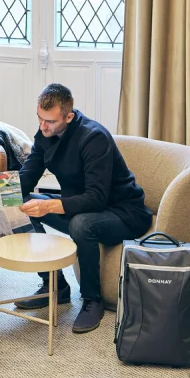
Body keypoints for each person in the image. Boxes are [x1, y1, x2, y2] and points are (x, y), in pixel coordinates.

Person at [17, 83, 152, 333]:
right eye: (39, 118)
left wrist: (49, 206)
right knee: (19, 204)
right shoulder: (44, 135)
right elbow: (26, 177)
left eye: (50, 121)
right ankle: (54, 285)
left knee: (80, 223)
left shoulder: (93, 138)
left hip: (123, 213)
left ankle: (92, 299)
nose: (42, 126)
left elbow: (96, 198)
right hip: (81, 209)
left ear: (68, 116)